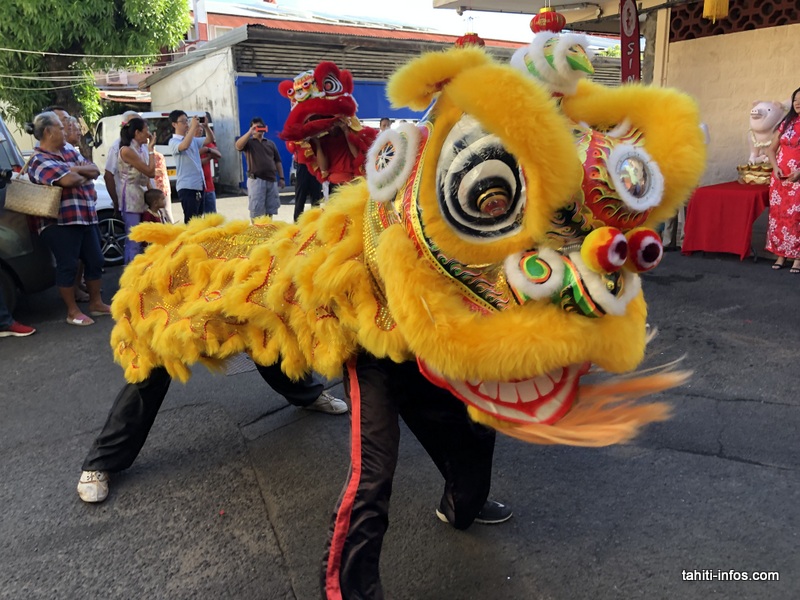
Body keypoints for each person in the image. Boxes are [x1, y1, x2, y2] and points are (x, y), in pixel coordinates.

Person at [322, 354, 511, 600]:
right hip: (369, 350)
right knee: (372, 472)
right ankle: (349, 594)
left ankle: (460, 502)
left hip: (428, 341)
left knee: (473, 425)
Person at [76, 361, 347, 503]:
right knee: (158, 358)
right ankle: (103, 459)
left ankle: (307, 393)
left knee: (263, 331)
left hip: (235, 261)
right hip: (181, 273)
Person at [27, 111, 111, 326]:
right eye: (61, 127)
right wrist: (75, 173)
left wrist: (73, 170)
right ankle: (72, 312)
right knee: (68, 266)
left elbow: (94, 170)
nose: (65, 131)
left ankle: (96, 303)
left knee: (95, 260)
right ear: (48, 131)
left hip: (85, 217)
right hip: (60, 223)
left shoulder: (68, 152)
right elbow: (70, 181)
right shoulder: (39, 160)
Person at [766, 86, 800, 272]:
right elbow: (771, 149)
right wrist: (775, 167)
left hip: (798, 178)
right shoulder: (786, 124)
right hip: (780, 177)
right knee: (779, 216)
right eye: (795, 99)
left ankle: (798, 258)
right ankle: (781, 255)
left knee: (796, 217)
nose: (797, 103)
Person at [118, 118, 157, 263]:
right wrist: (151, 150)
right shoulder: (127, 150)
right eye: (146, 131)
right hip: (130, 197)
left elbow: (147, 178)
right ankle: (131, 276)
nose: (148, 134)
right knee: (134, 239)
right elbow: (150, 172)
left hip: (140, 195)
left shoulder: (139, 149)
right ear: (137, 133)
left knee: (142, 239)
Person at [169, 110, 215, 223]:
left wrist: (206, 126)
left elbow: (210, 139)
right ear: (174, 124)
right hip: (187, 187)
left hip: (199, 185)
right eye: (183, 122)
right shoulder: (173, 141)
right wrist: (193, 128)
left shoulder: (193, 140)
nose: (186, 124)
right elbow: (184, 146)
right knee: (191, 222)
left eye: (187, 121)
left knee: (199, 222)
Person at [235, 117, 285, 220]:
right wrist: (250, 132)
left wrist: (281, 178)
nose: (259, 129)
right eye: (256, 127)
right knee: (256, 210)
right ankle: (256, 232)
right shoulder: (249, 143)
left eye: (261, 127)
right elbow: (238, 146)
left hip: (271, 180)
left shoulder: (270, 143)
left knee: (270, 209)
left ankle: (268, 230)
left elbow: (277, 161)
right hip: (256, 180)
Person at [103, 110, 142, 216]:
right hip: (129, 200)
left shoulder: (143, 145)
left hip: (145, 199)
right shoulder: (117, 147)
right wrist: (116, 201)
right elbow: (108, 175)